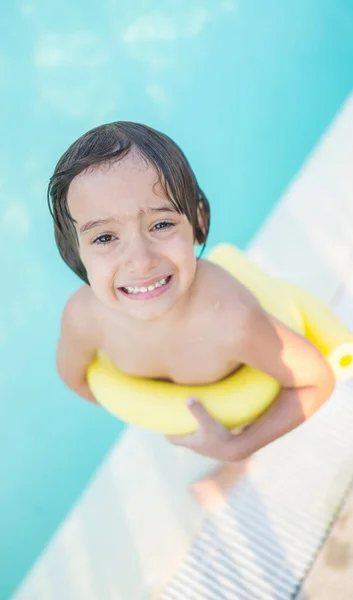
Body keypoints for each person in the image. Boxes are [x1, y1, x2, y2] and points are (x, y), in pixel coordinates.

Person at [49, 121, 335, 465]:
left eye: (161, 224)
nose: (140, 262)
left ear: (197, 224)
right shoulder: (84, 318)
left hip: (247, 408)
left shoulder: (232, 321)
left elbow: (316, 381)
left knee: (246, 444)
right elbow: (76, 379)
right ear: (74, 253)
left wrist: (237, 448)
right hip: (190, 409)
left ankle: (234, 468)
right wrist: (151, 410)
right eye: (105, 238)